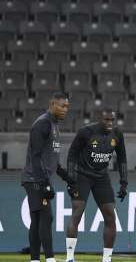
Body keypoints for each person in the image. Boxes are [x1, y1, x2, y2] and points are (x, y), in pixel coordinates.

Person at [65, 107, 128, 262]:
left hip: (101, 177)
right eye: (106, 119)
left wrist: (124, 182)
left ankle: (106, 259)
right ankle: (70, 257)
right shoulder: (85, 132)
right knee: (77, 212)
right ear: (99, 118)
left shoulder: (117, 134)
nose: (110, 123)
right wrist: (71, 179)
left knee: (110, 216)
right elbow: (72, 155)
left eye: (112, 119)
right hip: (82, 176)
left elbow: (122, 158)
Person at [21, 93, 73, 262]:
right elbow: (35, 157)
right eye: (62, 106)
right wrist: (44, 183)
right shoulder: (43, 123)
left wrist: (68, 178)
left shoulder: (55, 125)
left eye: (67, 107)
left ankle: (35, 259)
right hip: (34, 179)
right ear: (52, 104)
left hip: (39, 179)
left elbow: (53, 161)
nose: (65, 109)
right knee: (46, 217)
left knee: (37, 220)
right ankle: (49, 258)